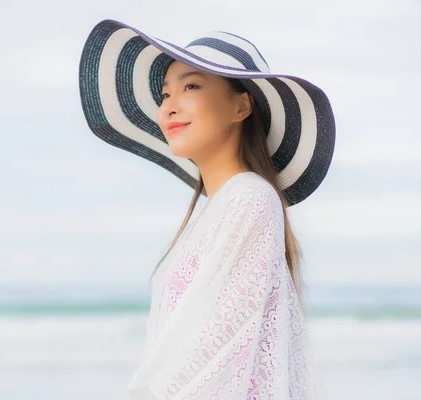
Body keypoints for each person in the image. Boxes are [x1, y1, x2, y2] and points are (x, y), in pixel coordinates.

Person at [78, 19, 336, 399]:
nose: (168, 107)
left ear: (241, 105)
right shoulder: (217, 211)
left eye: (191, 86)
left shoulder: (250, 199)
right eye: (165, 95)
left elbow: (219, 354)